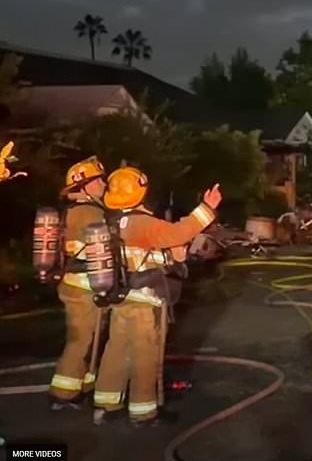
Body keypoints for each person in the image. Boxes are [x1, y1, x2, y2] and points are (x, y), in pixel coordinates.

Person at [91, 167, 222, 427]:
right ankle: (144, 412)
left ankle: (106, 405)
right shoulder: (142, 223)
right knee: (145, 355)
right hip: (145, 299)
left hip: (121, 298)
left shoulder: (113, 222)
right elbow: (179, 233)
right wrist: (207, 208)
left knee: (116, 349)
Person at [47, 156, 107, 410]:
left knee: (88, 337)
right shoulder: (90, 212)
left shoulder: (73, 210)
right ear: (84, 186)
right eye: (98, 180)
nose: (103, 184)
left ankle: (84, 385)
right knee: (81, 339)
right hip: (84, 286)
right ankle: (63, 394)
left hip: (75, 284)